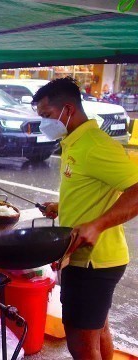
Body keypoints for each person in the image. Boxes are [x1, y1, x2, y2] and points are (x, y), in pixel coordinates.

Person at [33, 77, 138, 360]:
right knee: (98, 330)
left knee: (80, 343)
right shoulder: (73, 140)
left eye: (46, 115)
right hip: (85, 258)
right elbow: (92, 189)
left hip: (94, 261)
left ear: (68, 109)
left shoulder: (94, 143)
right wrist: (62, 206)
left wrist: (97, 224)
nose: (44, 123)